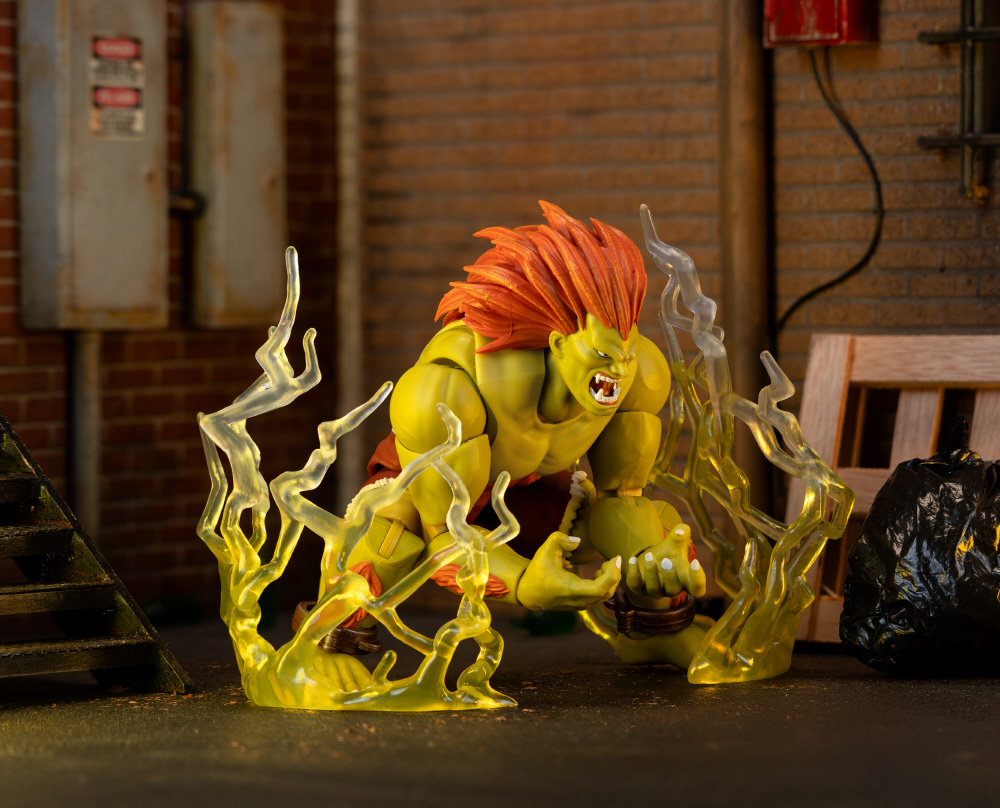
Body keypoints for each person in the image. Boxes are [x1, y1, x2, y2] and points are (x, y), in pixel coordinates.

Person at [313, 202, 708, 689]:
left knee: (652, 527)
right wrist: (524, 584)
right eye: (604, 356)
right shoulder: (450, 386)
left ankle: (653, 632)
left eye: (624, 353)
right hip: (432, 493)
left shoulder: (638, 374)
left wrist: (653, 560)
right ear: (559, 343)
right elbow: (444, 540)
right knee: (392, 535)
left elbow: (621, 500)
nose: (618, 372)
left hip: (525, 487)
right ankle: (327, 643)